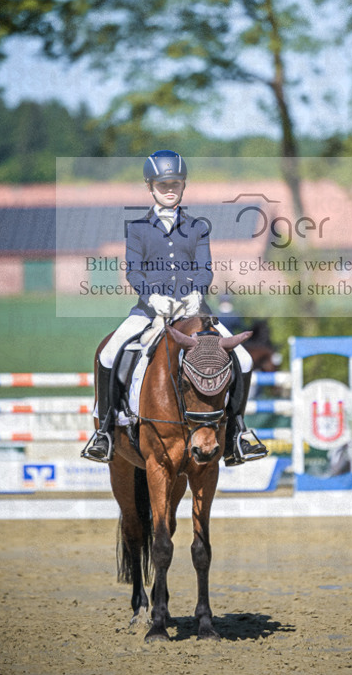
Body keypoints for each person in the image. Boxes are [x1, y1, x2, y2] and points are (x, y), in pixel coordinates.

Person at [85, 149, 267, 467]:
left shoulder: (198, 227)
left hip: (194, 312)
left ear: (183, 186)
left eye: (176, 183)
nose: (170, 188)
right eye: (163, 183)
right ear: (150, 186)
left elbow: (205, 268)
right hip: (149, 312)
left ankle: (237, 433)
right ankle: (105, 432)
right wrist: (153, 297)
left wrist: (196, 294)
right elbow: (133, 271)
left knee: (245, 358)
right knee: (109, 353)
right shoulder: (138, 229)